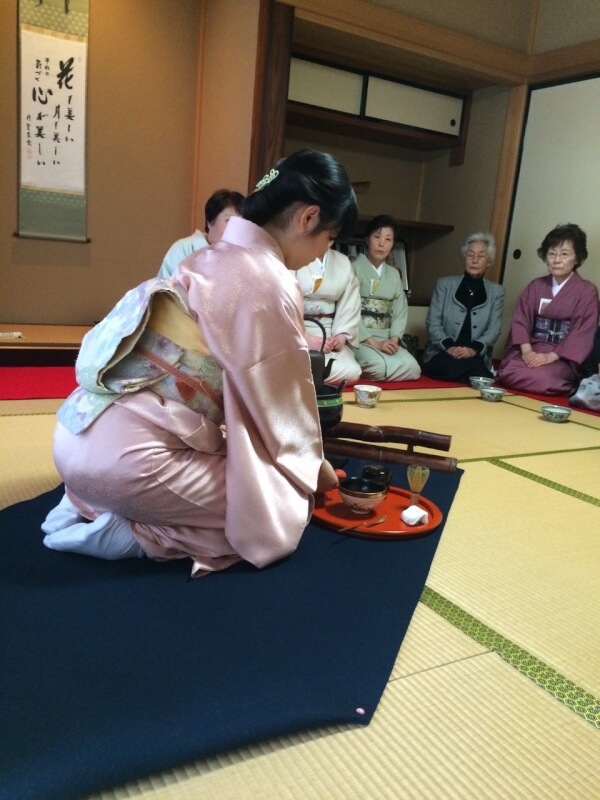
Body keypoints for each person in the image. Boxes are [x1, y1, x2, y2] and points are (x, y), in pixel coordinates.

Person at [41, 149, 358, 577]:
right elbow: (282, 413)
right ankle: (131, 534)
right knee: (276, 508)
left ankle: (87, 502)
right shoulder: (269, 280)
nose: (322, 254)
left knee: (248, 472)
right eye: (329, 239)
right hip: (126, 462)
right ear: (308, 218)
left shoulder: (205, 257)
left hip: (75, 433)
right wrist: (317, 472)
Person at [497, 223, 599, 396]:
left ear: (577, 258)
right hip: (533, 348)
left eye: (564, 254)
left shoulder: (587, 291)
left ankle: (564, 382)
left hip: (562, 356)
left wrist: (549, 357)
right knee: (507, 371)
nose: (556, 260)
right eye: (551, 253)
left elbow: (582, 332)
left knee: (544, 377)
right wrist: (527, 351)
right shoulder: (536, 286)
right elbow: (521, 320)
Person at [422, 232, 505, 383]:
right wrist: (449, 347)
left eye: (481, 256)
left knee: (476, 369)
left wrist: (472, 350)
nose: (474, 260)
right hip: (444, 351)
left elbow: (494, 328)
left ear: (489, 261)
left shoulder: (496, 291)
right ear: (464, 257)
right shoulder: (444, 284)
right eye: (470, 254)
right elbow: (432, 323)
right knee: (449, 366)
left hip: (474, 353)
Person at [352, 214, 421, 381]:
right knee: (379, 366)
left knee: (414, 369)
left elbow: (399, 311)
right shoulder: (353, 268)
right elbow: (349, 310)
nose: (381, 244)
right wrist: (374, 342)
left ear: (393, 244)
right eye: (377, 237)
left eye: (388, 239)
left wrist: (394, 339)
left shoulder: (394, 274)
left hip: (387, 338)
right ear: (367, 239)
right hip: (361, 338)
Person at [296, 245, 362, 386]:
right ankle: (302, 377)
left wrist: (341, 335)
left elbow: (350, 302)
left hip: (329, 335)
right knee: (286, 367)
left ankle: (302, 379)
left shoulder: (342, 262)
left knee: (352, 372)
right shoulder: (294, 256)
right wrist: (306, 339)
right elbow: (283, 301)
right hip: (299, 335)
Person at [158, 188, 244, 279]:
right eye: (229, 220)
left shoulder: (243, 256)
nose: (236, 227)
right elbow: (165, 289)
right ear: (210, 222)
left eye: (241, 222)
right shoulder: (183, 249)